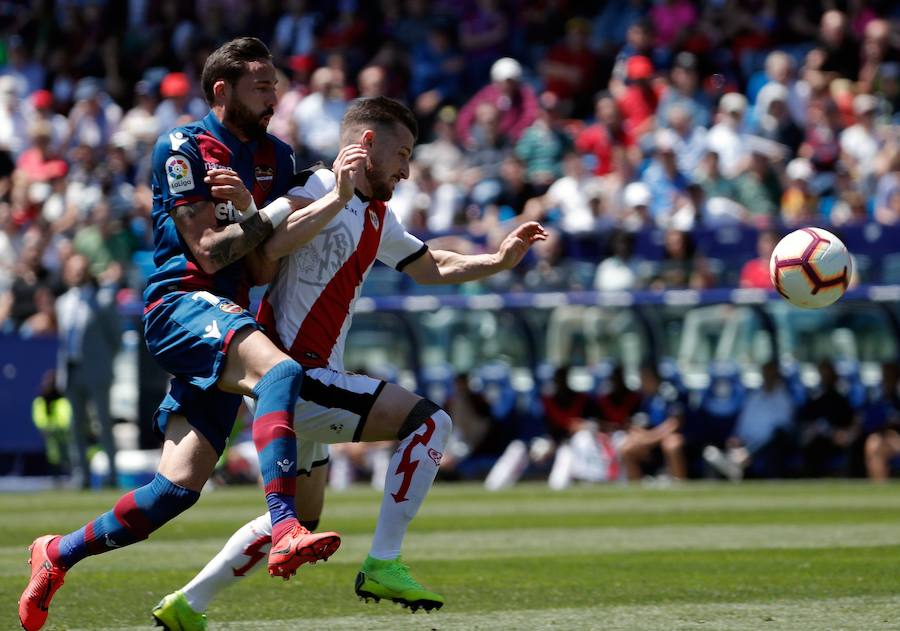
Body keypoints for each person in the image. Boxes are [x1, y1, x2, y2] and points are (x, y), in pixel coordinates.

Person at [152, 96, 548, 627]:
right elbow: (263, 259)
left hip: (312, 378)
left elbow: (430, 265)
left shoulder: (379, 215)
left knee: (303, 517)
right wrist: (334, 198)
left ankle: (187, 605)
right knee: (431, 422)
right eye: (402, 153)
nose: (407, 169)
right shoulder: (311, 188)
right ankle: (383, 561)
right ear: (366, 144)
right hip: (292, 374)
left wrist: (497, 260)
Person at [18, 37, 343, 631]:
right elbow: (212, 254)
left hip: (230, 315)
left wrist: (255, 212)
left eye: (275, 85)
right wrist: (265, 215)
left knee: (175, 490)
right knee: (282, 372)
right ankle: (286, 523)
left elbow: (263, 266)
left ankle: (56, 553)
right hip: (182, 304)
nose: (275, 97)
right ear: (222, 90)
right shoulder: (184, 146)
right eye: (262, 86)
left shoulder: (276, 153)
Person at [54, 252, 121, 489]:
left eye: (81, 269)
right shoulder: (62, 302)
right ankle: (80, 474)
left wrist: (103, 362)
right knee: (76, 425)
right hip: (72, 370)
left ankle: (111, 474)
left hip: (96, 370)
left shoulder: (101, 301)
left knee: (103, 423)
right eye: (73, 269)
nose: (77, 273)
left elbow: (116, 338)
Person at [703, 361, 795, 480]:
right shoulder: (754, 397)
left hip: (769, 445)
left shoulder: (784, 399)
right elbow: (743, 423)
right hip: (747, 443)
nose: (767, 377)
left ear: (777, 376)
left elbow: (781, 429)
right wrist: (736, 438)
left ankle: (737, 465)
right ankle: (733, 465)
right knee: (711, 452)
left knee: (776, 438)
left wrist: (750, 451)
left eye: (771, 374)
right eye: (765, 374)